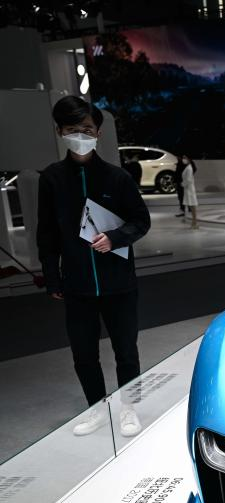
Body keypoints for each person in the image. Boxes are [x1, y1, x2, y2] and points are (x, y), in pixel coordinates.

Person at [36, 96, 151, 435]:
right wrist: (52, 276)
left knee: (126, 350)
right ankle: (96, 408)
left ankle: (129, 408)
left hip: (119, 282)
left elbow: (141, 220)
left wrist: (115, 237)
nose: (80, 135)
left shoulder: (118, 178)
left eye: (86, 129)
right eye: (72, 129)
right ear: (60, 132)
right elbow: (46, 233)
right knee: (84, 354)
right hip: (77, 285)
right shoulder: (52, 179)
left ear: (98, 132)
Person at [181, 154, 198, 229]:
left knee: (192, 206)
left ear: (188, 158)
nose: (183, 159)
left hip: (189, 189)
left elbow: (188, 180)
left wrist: (182, 184)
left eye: (185, 158)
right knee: (191, 206)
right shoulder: (188, 167)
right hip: (188, 189)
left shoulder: (189, 168)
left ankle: (194, 223)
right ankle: (193, 222)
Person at [174, 154, 186, 218]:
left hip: (181, 183)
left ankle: (184, 210)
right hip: (179, 182)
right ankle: (183, 209)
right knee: (181, 197)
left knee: (182, 197)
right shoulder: (179, 163)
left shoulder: (183, 164)